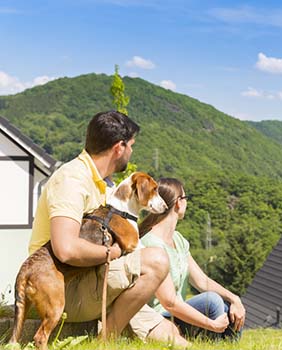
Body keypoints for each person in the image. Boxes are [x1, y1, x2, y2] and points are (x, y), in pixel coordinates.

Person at [28, 111, 188, 346]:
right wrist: (111, 253)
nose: (132, 151)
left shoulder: (105, 184)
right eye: (131, 145)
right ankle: (107, 338)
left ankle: (112, 328)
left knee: (172, 336)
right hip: (60, 287)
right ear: (119, 147)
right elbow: (65, 249)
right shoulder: (72, 180)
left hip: (88, 278)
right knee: (156, 260)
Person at [139, 178, 246, 340]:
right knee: (213, 301)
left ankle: (230, 345)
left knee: (226, 306)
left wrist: (234, 299)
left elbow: (202, 281)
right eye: (186, 198)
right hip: (161, 318)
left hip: (177, 312)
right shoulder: (150, 244)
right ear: (178, 203)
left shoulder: (179, 240)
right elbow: (168, 303)